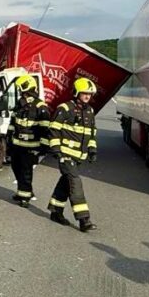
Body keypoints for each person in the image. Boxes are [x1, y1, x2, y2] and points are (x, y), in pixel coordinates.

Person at [46, 76, 99, 232]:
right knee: (75, 182)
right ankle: (84, 220)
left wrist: (92, 149)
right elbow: (53, 129)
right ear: (76, 93)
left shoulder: (89, 111)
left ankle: (55, 211)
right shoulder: (65, 108)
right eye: (84, 93)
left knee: (66, 182)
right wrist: (56, 149)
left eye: (89, 94)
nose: (87, 97)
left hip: (79, 156)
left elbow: (91, 133)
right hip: (65, 155)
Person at [8, 74, 51, 207]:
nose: (21, 93)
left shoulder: (40, 107)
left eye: (22, 90)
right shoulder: (20, 104)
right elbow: (13, 122)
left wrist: (43, 148)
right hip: (17, 145)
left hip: (31, 146)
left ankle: (25, 197)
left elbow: (45, 128)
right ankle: (23, 191)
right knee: (16, 167)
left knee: (26, 171)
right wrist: (9, 136)